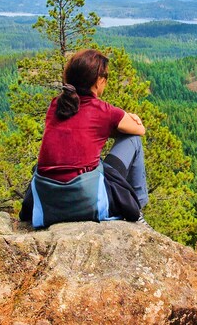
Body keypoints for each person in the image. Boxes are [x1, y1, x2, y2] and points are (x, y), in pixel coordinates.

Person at [20, 49, 150, 228]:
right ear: (98, 81)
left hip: (48, 201)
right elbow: (139, 130)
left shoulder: (56, 105)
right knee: (133, 140)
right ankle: (138, 208)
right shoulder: (104, 111)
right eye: (105, 78)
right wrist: (131, 116)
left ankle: (135, 207)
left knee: (95, 161)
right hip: (87, 200)